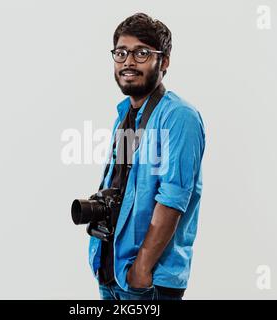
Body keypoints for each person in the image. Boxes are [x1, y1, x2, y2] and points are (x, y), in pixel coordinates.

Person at [88, 12, 206, 300]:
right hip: (112, 271)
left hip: (148, 283)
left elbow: (173, 198)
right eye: (121, 52)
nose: (128, 61)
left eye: (141, 53)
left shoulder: (178, 116)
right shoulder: (125, 116)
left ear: (163, 61)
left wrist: (141, 269)